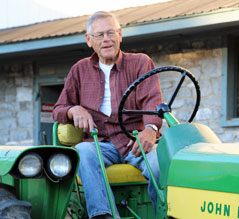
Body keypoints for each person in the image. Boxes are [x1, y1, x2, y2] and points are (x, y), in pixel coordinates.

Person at [53, 11, 162, 219]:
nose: (106, 39)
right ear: (89, 40)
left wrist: (151, 129)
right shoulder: (79, 70)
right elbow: (59, 108)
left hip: (135, 141)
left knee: (159, 164)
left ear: (120, 34)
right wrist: (73, 109)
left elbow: (153, 102)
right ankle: (104, 215)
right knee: (83, 151)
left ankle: (162, 214)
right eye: (100, 35)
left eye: (111, 33)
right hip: (100, 143)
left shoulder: (141, 63)